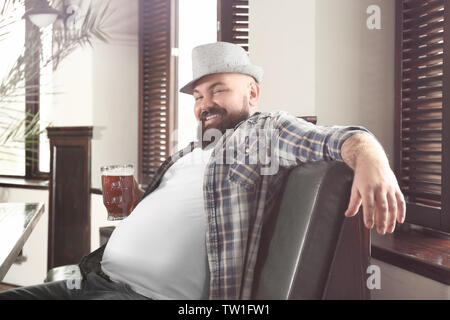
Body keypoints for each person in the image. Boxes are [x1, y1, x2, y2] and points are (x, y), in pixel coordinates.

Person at [0, 42, 405, 300]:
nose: (204, 104)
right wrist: (141, 202)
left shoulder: (264, 132)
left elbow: (340, 139)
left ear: (252, 91)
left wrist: (372, 160)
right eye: (197, 95)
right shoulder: (189, 152)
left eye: (218, 90)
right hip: (92, 279)